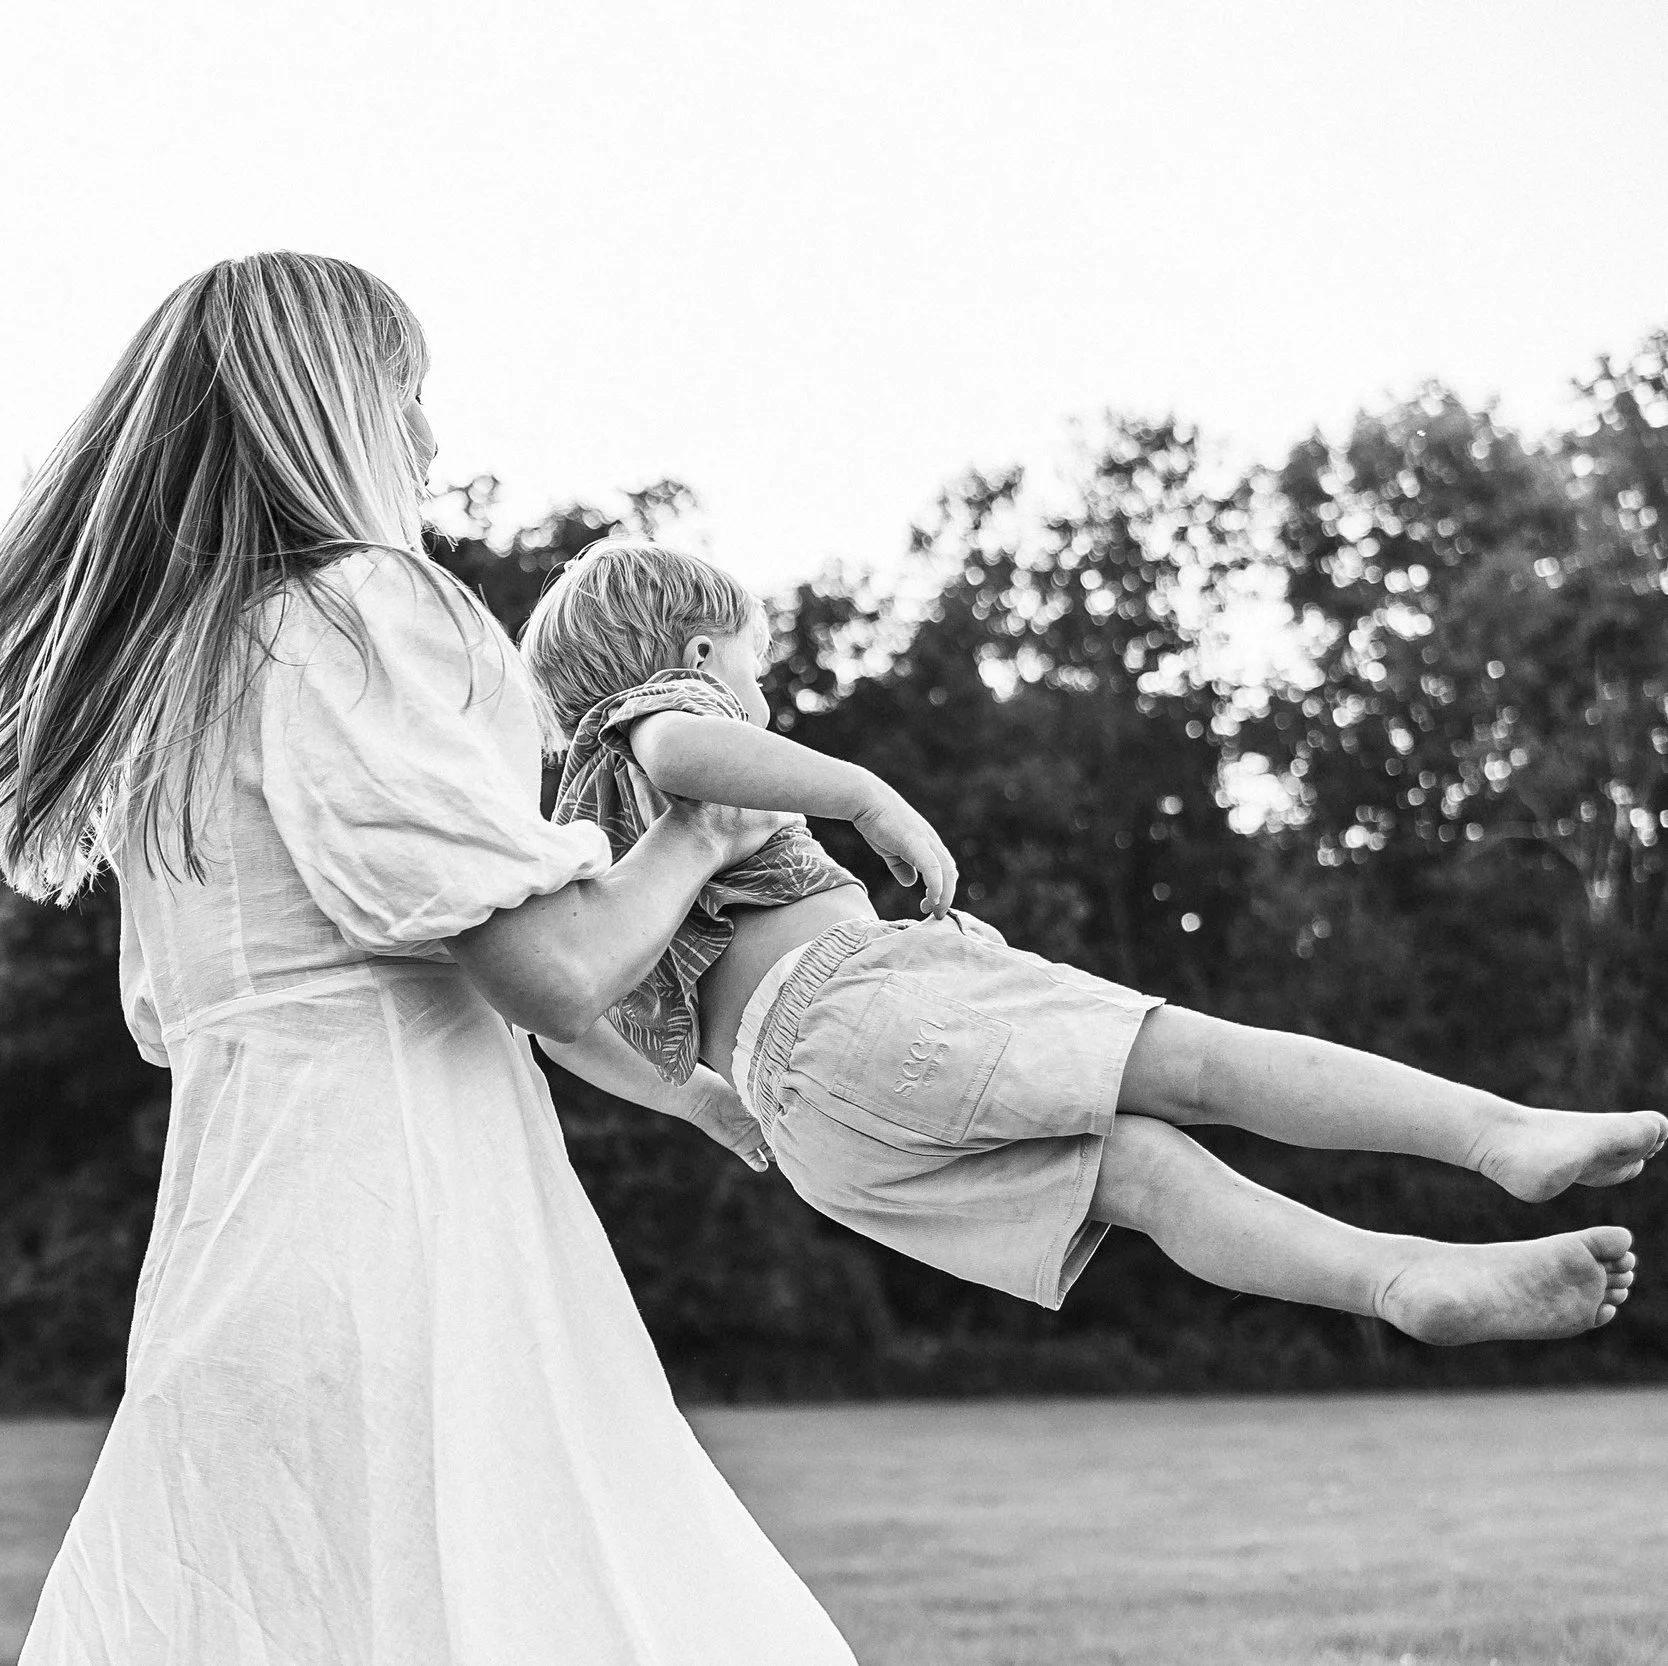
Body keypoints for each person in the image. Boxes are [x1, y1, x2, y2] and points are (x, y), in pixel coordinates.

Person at [0, 255, 857, 1663]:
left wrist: (687, 1097)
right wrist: (695, 837)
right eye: (408, 399)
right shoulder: (368, 613)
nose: (428, 440)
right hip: (414, 1253)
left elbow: (444, 964)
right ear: (337, 410)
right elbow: (543, 968)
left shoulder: (177, 688)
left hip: (237, 1260)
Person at [520, 537, 1657, 1342]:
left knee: (1151, 1177)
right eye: (755, 666)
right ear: (701, 654)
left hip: (811, 1133)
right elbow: (679, 749)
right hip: (853, 998)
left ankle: (1400, 1278)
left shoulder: (574, 840)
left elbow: (558, 1017)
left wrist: (693, 1101)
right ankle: (1496, 1135)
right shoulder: (662, 721)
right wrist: (867, 797)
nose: (757, 698)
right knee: (1202, 1063)